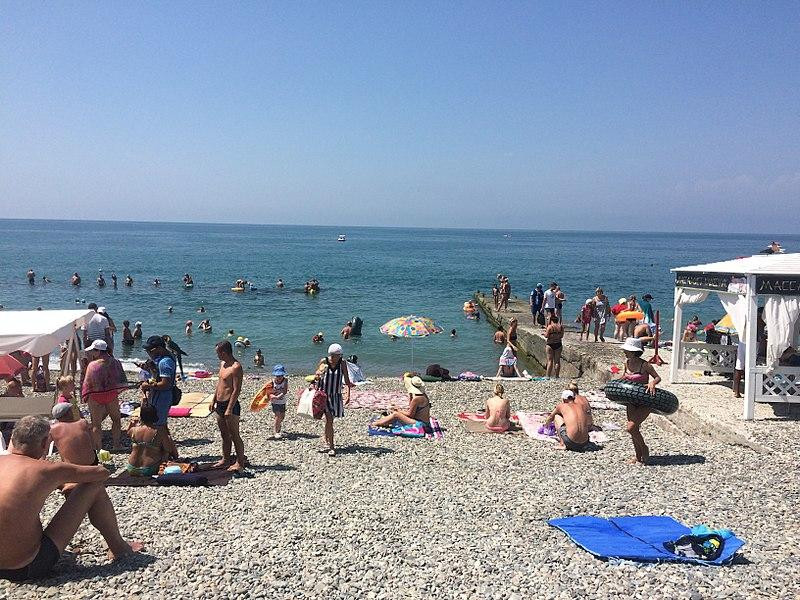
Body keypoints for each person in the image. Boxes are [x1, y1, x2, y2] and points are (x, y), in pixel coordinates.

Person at [0, 416, 142, 582]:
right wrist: (68, 483)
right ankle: (120, 548)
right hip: (26, 567)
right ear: (45, 443)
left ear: (12, 439)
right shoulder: (47, 469)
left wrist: (59, 483)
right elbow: (102, 473)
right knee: (94, 485)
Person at [620, 337, 661, 465]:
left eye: (627, 350)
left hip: (644, 400)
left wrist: (652, 383)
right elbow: (624, 377)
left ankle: (644, 448)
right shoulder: (626, 363)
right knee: (634, 429)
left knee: (631, 428)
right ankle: (638, 457)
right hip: (631, 400)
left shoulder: (645, 365)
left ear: (633, 351)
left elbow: (657, 377)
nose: (624, 351)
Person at [81, 340, 127, 451]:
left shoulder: (92, 365)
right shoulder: (115, 362)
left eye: (93, 351)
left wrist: (84, 396)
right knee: (116, 420)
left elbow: (87, 383)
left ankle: (98, 448)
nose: (91, 353)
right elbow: (121, 379)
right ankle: (116, 445)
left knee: (96, 424)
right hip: (111, 394)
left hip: (96, 396)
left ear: (98, 351)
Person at [139, 336, 179, 460]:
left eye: (150, 350)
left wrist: (148, 385)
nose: (148, 352)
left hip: (161, 397)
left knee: (159, 427)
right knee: (163, 426)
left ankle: (167, 455)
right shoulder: (164, 358)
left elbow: (165, 383)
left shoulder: (164, 362)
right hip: (162, 396)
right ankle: (172, 453)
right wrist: (150, 368)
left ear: (159, 348)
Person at [209, 341, 246, 471]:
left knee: (234, 435)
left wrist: (229, 408)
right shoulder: (222, 364)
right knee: (224, 434)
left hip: (230, 404)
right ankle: (225, 459)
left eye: (218, 353)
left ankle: (240, 462)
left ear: (224, 352)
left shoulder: (236, 367)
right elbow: (220, 384)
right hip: (219, 403)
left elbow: (236, 390)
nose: (217, 355)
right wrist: (213, 400)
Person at [314, 344, 353, 456]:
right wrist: (319, 374)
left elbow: (347, 380)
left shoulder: (342, 363)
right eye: (336, 355)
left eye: (339, 355)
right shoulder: (324, 361)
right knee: (329, 419)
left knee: (329, 420)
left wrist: (348, 394)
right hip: (323, 395)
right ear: (331, 354)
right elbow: (316, 377)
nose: (338, 357)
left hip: (335, 396)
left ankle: (326, 437)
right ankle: (331, 446)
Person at [125, 404, 170, 476]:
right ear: (155, 416)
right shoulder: (159, 431)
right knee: (165, 452)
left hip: (132, 468)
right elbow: (168, 449)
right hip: (149, 469)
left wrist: (132, 424)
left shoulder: (133, 430)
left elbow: (128, 433)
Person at [49, 403, 97, 471]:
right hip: (91, 462)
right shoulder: (83, 423)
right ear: (68, 413)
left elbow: (44, 448)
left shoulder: (53, 429)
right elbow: (93, 442)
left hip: (71, 467)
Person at [268, 364, 288, 439]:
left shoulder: (285, 381)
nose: (279, 377)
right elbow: (269, 393)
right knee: (278, 416)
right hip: (275, 402)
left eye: (281, 376)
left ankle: (279, 426)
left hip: (282, 402)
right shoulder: (272, 382)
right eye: (277, 376)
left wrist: (280, 396)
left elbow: (285, 391)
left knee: (282, 417)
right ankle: (276, 432)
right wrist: (274, 397)